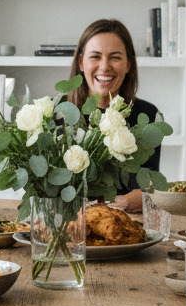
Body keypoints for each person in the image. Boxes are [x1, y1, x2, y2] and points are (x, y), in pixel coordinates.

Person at [65, 18, 162, 212]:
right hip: (71, 222)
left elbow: (149, 187)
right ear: (81, 62)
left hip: (124, 220)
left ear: (128, 65)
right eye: (95, 56)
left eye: (115, 57)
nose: (104, 66)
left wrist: (141, 197)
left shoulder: (147, 115)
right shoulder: (59, 114)